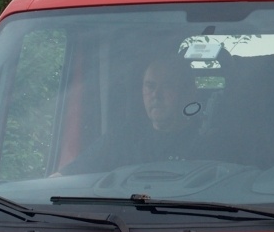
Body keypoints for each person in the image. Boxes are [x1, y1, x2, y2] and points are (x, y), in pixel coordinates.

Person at [63, 56, 203, 172]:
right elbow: (66, 177)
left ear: (189, 93)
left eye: (167, 86)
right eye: (150, 86)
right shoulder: (120, 139)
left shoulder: (207, 141)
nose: (156, 95)